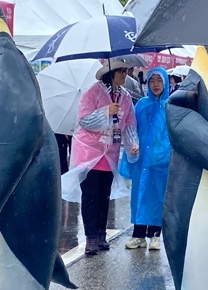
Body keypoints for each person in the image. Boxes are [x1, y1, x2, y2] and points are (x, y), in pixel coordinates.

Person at [69, 62, 138, 256]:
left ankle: (101, 233)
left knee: (103, 197)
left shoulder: (125, 97)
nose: (125, 75)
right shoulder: (92, 93)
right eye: (121, 72)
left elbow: (129, 123)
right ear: (111, 73)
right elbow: (84, 120)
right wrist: (105, 112)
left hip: (110, 155)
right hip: (89, 154)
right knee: (90, 196)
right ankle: (91, 237)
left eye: (126, 71)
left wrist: (133, 143)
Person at [122, 67, 171, 251]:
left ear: (165, 82)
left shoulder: (171, 105)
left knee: (159, 196)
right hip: (142, 159)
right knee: (140, 195)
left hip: (162, 160)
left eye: (159, 80)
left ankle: (155, 235)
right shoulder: (141, 104)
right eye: (152, 81)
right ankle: (139, 234)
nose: (156, 84)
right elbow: (132, 127)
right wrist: (133, 144)